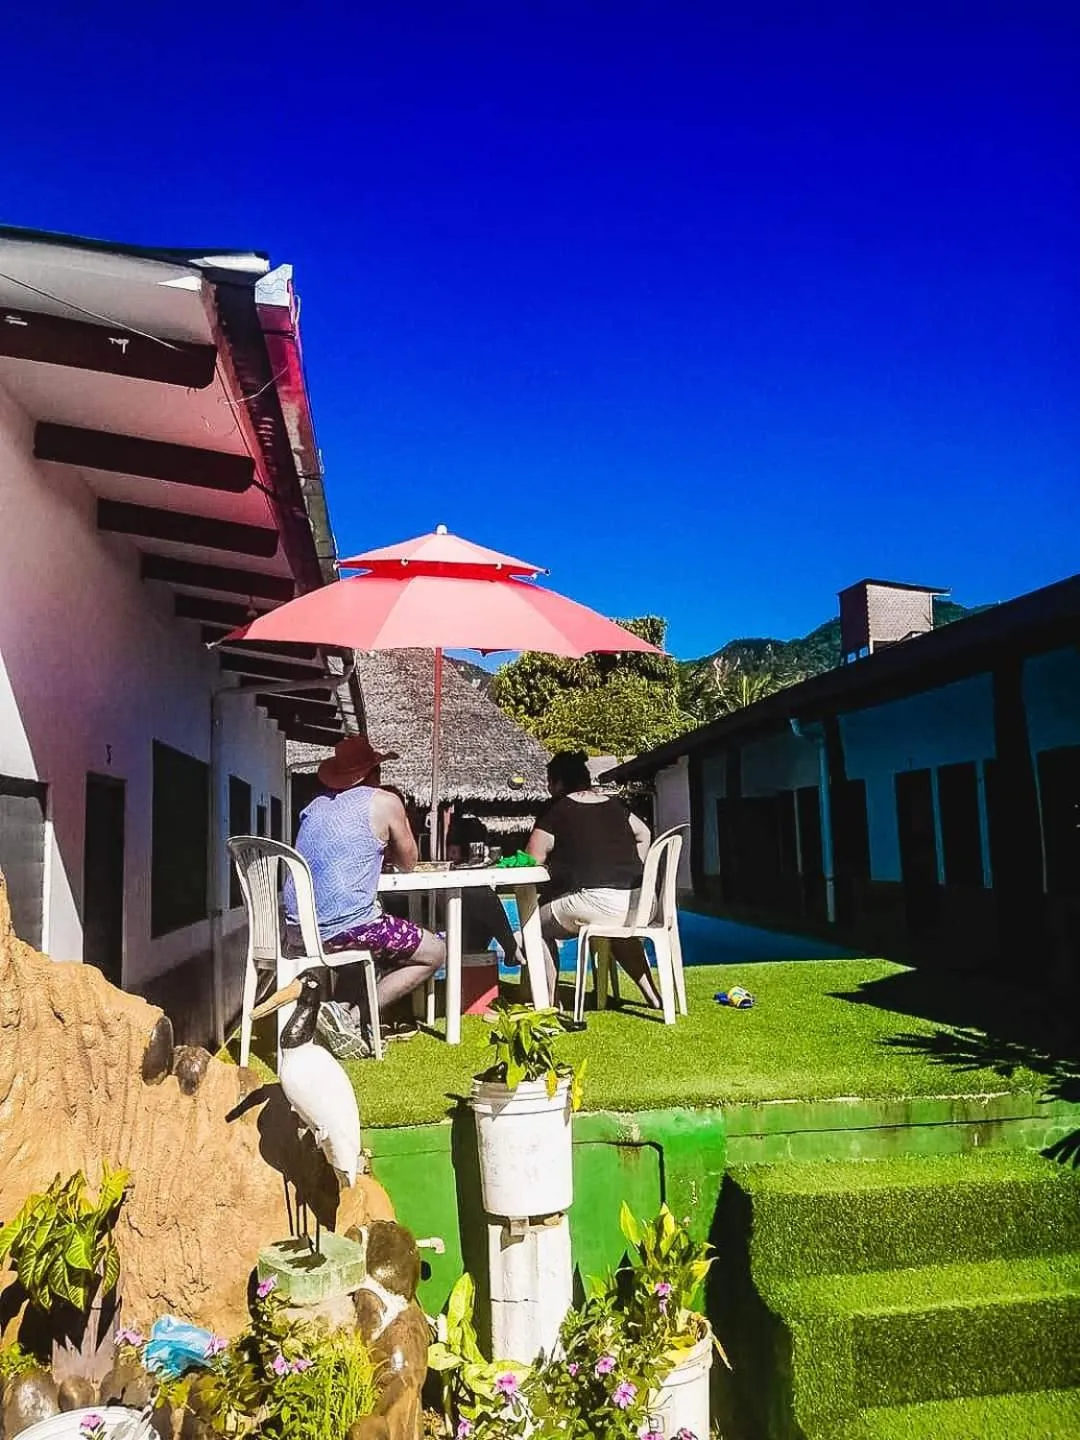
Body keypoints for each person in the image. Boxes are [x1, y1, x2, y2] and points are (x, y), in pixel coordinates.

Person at [284, 736, 446, 1023]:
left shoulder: (314, 806)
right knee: (435, 952)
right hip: (346, 931)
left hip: (297, 931)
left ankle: (338, 1014)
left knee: (363, 937)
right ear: (374, 773)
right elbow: (409, 863)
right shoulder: (384, 801)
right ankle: (351, 1020)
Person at [525, 751, 661, 1010]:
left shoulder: (557, 809)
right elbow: (644, 833)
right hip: (640, 902)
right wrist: (634, 867)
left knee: (533, 924)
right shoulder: (616, 806)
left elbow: (533, 858)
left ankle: (549, 1001)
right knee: (617, 927)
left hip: (596, 904)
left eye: (549, 782)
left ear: (558, 782)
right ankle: (653, 996)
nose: (548, 788)